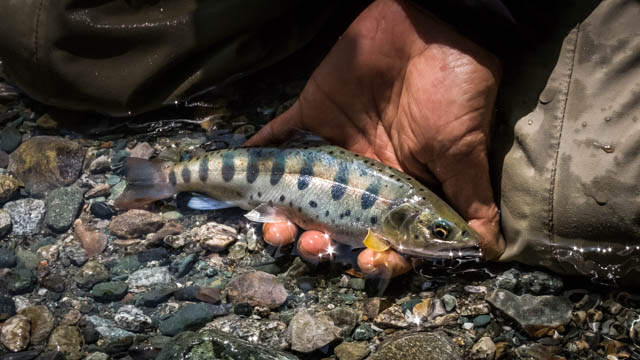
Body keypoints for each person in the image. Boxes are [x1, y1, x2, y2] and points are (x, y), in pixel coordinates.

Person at [1, 0, 639, 285]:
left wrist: (453, 20)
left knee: (577, 208)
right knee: (55, 39)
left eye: (443, 234)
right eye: (441, 235)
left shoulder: (397, 219)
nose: (457, 240)